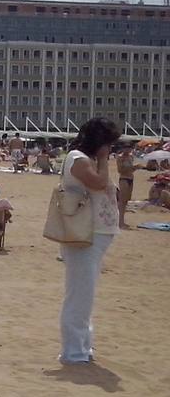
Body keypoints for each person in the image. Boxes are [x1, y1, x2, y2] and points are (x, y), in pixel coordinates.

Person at [58, 117, 121, 365]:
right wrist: (104, 159)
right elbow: (98, 183)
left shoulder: (88, 160)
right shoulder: (78, 159)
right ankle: (74, 351)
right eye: (108, 143)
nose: (110, 148)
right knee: (80, 295)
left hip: (95, 236)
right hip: (83, 236)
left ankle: (83, 346)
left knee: (86, 294)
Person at [116, 144, 135, 230]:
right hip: (124, 179)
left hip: (130, 178)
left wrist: (134, 168)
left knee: (126, 200)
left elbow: (131, 169)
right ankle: (120, 222)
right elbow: (120, 170)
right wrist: (132, 167)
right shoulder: (120, 158)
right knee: (122, 201)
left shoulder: (131, 157)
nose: (127, 150)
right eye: (126, 148)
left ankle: (122, 221)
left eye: (129, 148)